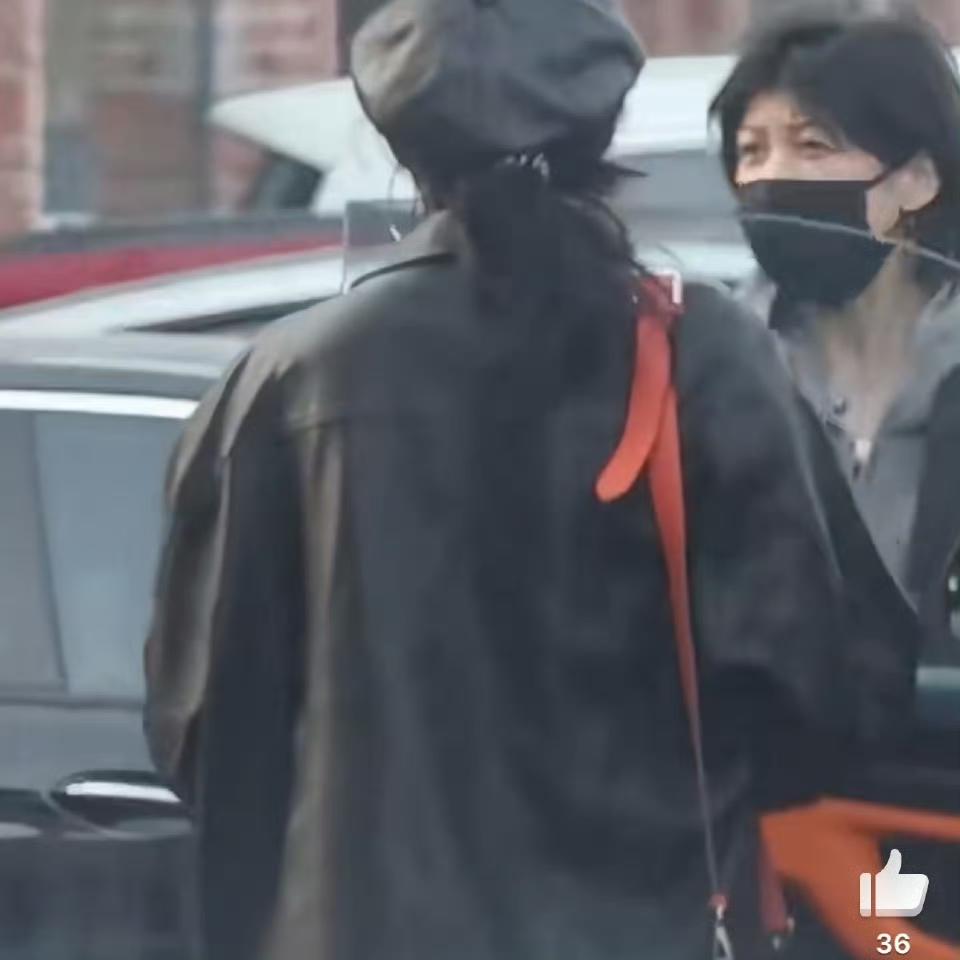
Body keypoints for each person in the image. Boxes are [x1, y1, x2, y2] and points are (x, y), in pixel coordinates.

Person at [144, 2, 917, 959]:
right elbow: (822, 693)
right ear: (604, 131)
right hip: (644, 929)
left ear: (402, 146)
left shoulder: (287, 380)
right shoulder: (706, 356)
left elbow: (205, 733)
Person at [711, 11, 960, 664]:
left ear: (917, 179)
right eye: (751, 151)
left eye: (813, 145)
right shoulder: (713, 377)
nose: (771, 177)